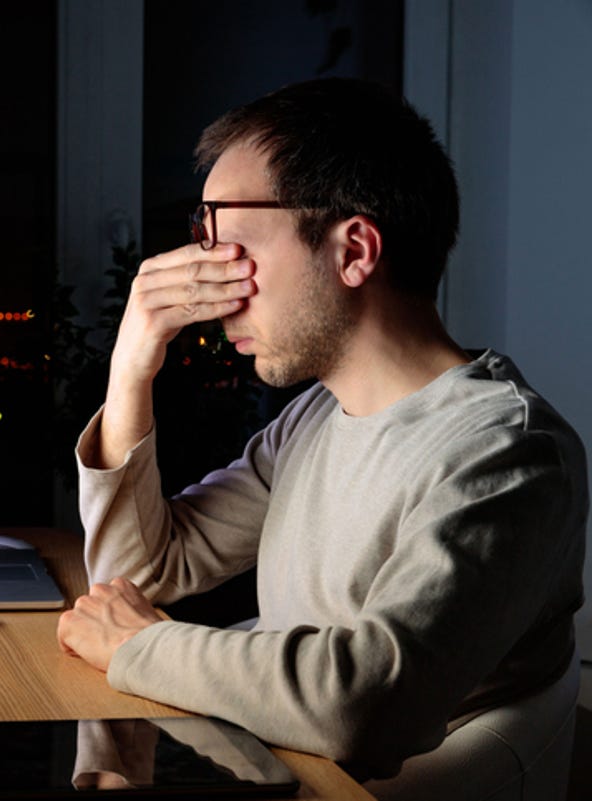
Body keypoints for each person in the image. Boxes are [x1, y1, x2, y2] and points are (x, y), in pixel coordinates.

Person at [55, 77, 587, 784]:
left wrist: (143, 644)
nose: (209, 291)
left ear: (354, 249)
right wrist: (131, 370)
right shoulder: (317, 415)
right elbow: (146, 570)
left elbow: (362, 703)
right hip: (281, 768)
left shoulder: (509, 455)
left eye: (232, 248)